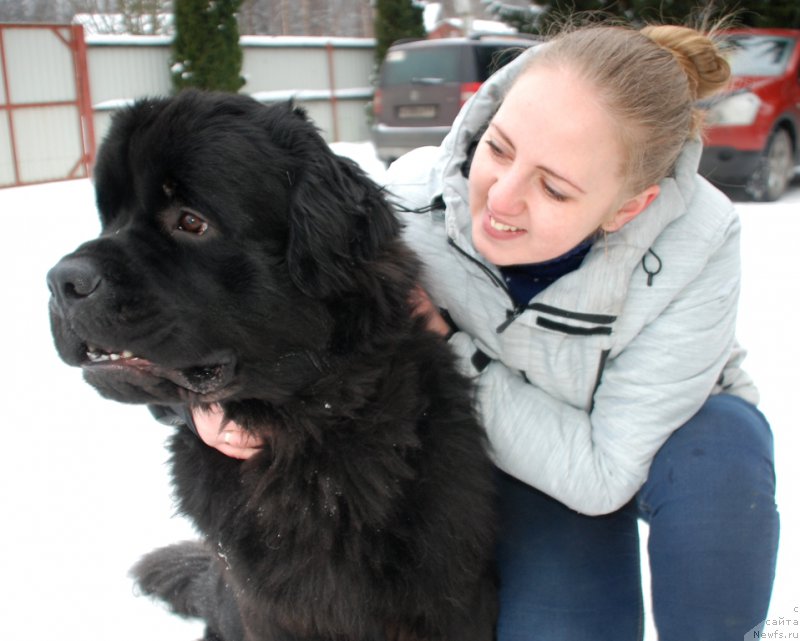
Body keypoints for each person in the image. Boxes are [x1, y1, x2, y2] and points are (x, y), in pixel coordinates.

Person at [180, 21, 779, 641]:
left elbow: (603, 473)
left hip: (648, 442)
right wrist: (206, 400)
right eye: (499, 148)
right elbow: (259, 305)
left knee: (721, 461)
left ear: (629, 207)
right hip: (519, 459)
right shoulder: (409, 203)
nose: (501, 199)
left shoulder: (698, 243)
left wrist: (448, 346)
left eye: (554, 188)